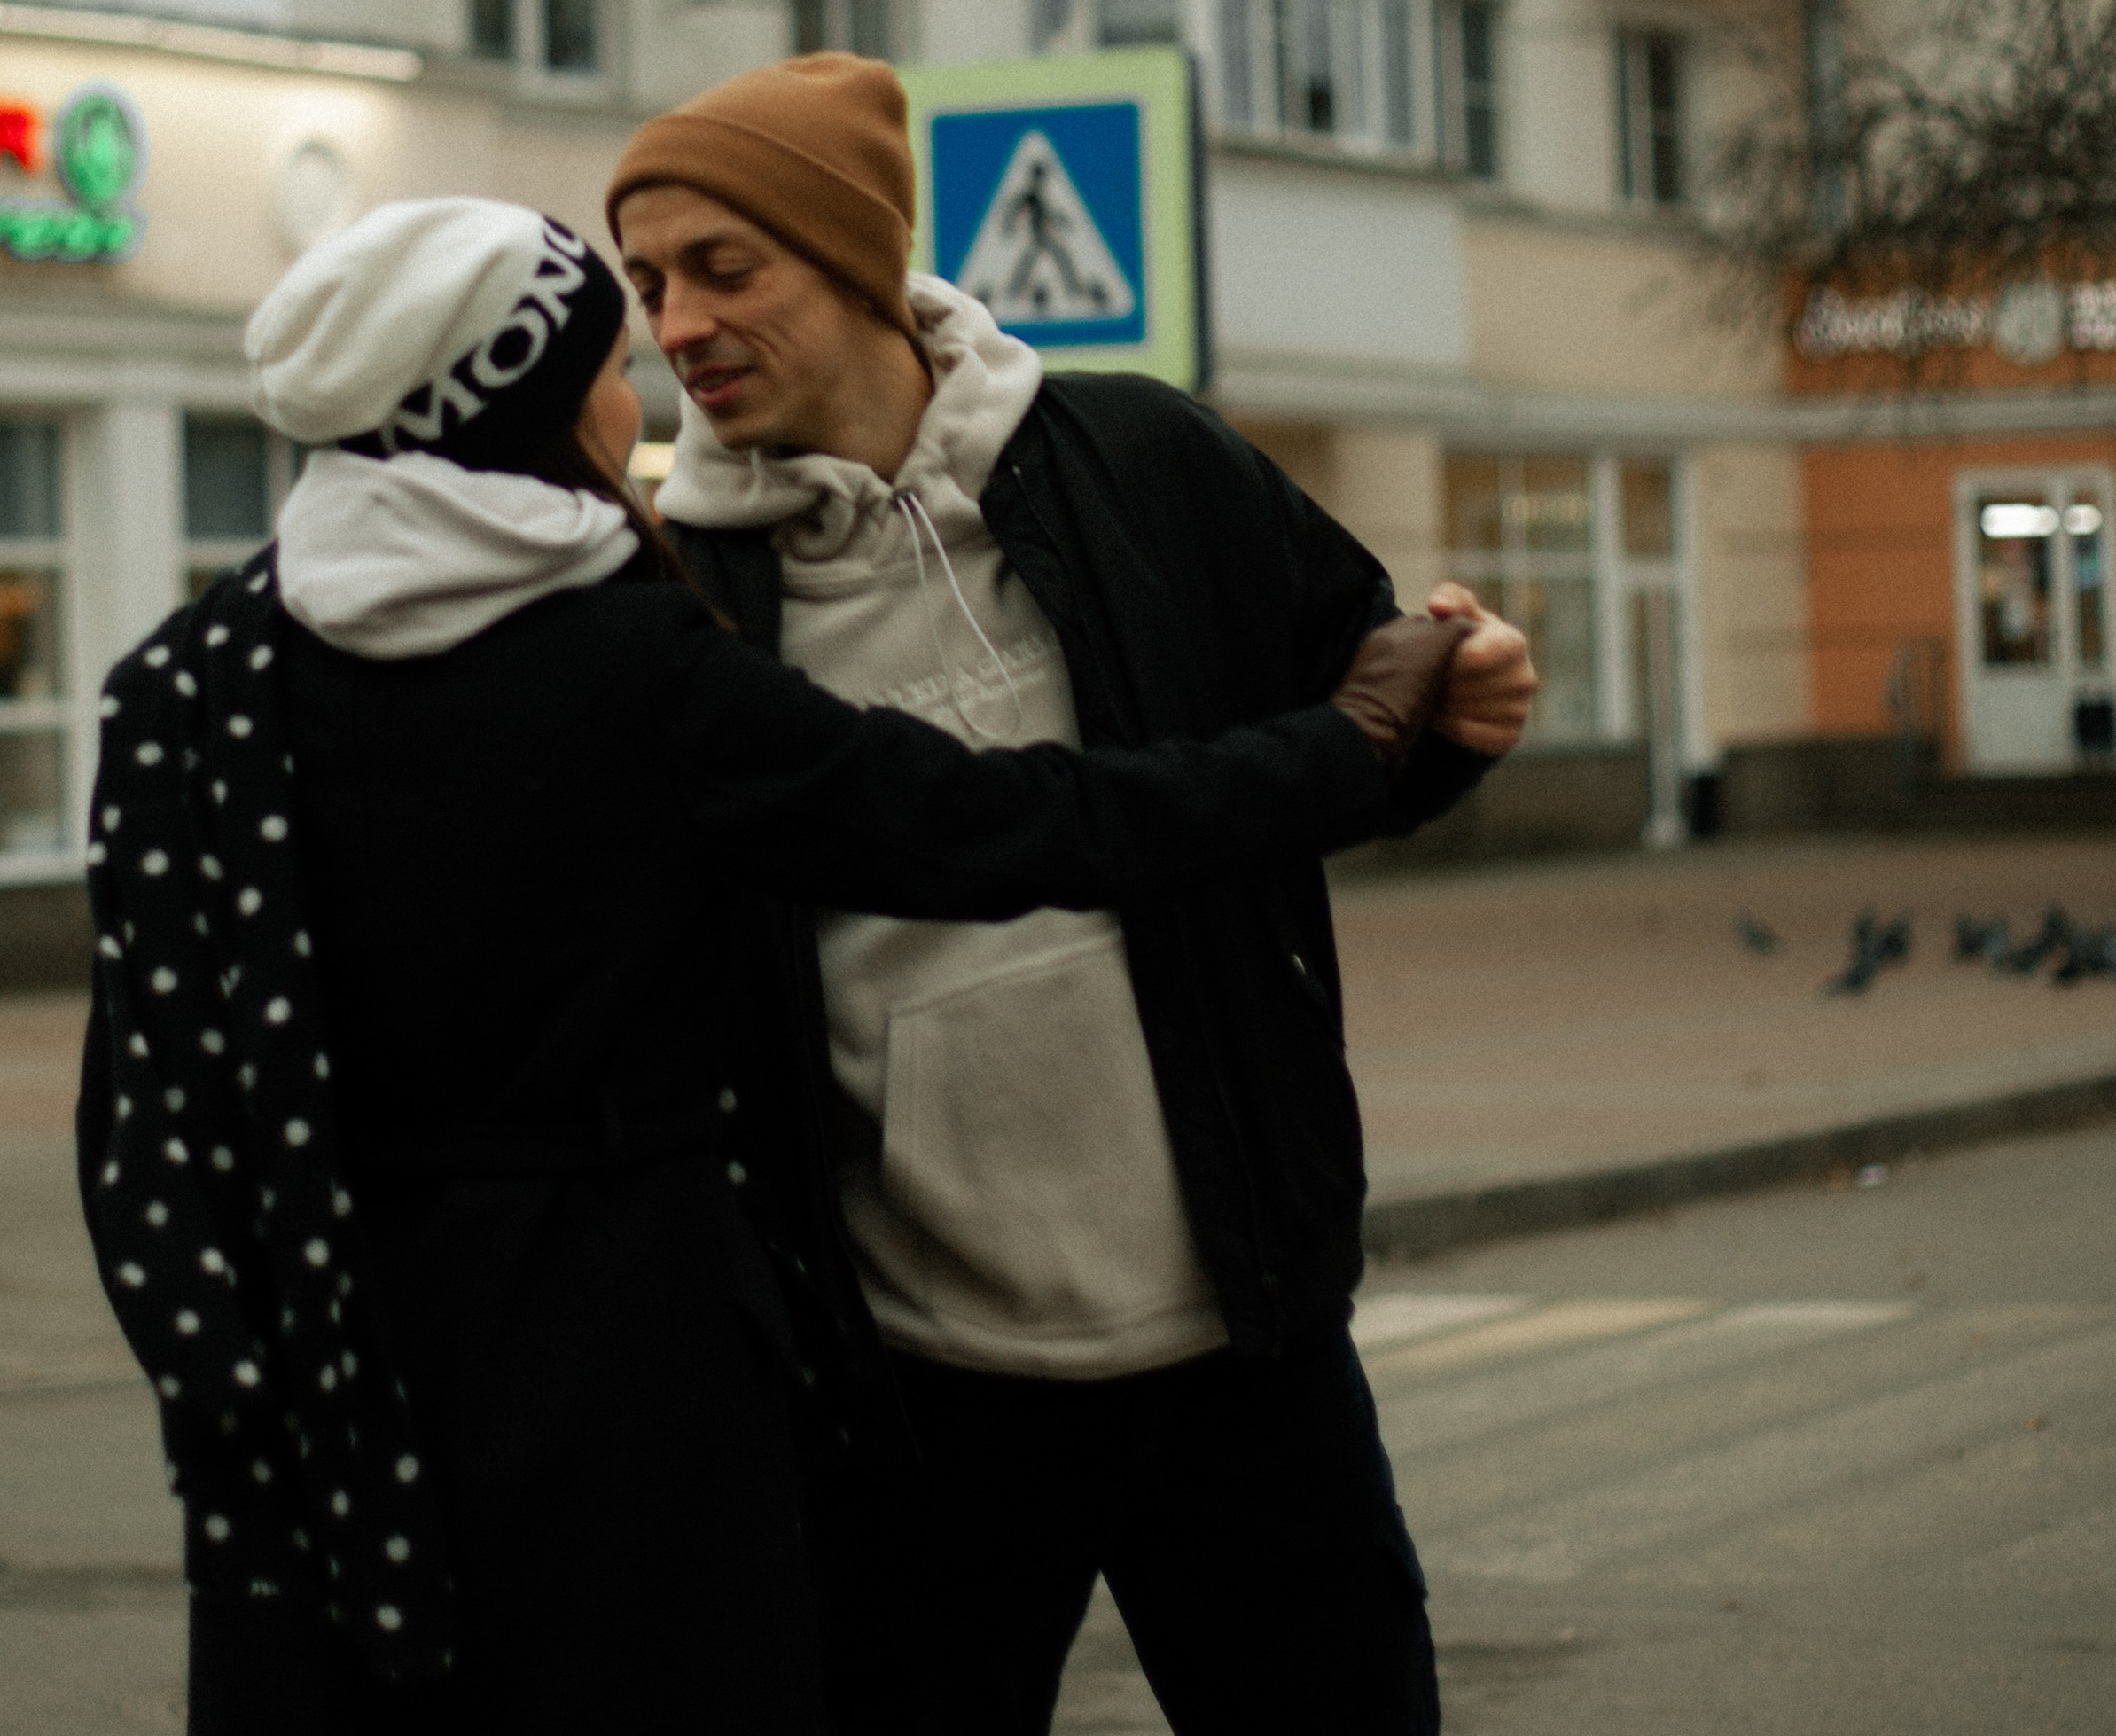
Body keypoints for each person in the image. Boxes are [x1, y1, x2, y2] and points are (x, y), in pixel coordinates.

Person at [75, 197, 1480, 1736]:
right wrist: (1342, 746)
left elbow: (144, 1115)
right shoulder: (634, 665)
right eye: (612, 356)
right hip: (639, 1356)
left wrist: (238, 1393)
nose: (644, 392)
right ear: (529, 398)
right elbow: (1002, 822)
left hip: (344, 1367)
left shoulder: (190, 687)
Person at [606, 54, 1537, 1736]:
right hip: (910, 1386)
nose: (675, 325)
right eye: (647, 284)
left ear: (860, 259)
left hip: (1240, 1339)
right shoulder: (681, 590)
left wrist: (1465, 706)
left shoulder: (1136, 458)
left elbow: (1359, 717)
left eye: (723, 269)